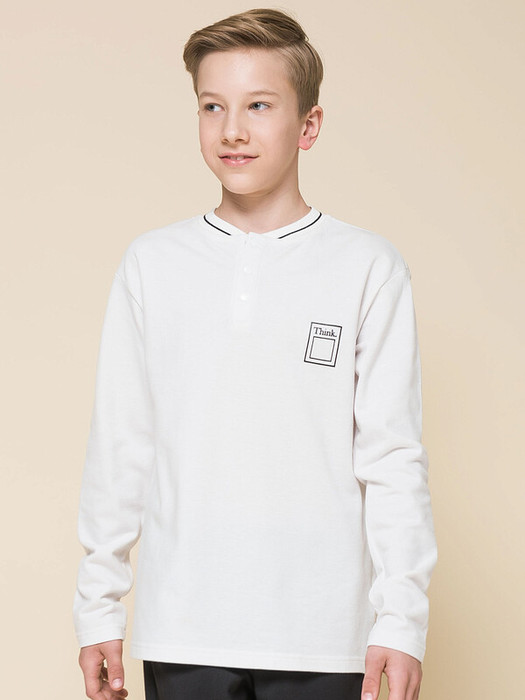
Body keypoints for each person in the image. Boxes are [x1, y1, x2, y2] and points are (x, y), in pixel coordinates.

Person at [74, 8, 438, 700]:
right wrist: (97, 607)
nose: (232, 130)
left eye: (259, 105)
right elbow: (121, 445)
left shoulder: (367, 266)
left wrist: (401, 620)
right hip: (183, 628)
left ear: (308, 126)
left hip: (324, 633)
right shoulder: (153, 264)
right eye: (212, 106)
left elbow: (391, 456)